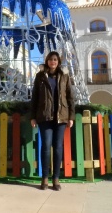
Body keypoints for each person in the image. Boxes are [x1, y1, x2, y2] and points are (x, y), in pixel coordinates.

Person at [30, 51, 75, 191]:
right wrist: (33, 116)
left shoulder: (65, 76)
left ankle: (56, 178)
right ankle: (44, 178)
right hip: (44, 116)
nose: (52, 62)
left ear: (58, 61)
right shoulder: (40, 76)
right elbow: (35, 97)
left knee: (58, 148)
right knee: (46, 147)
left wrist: (71, 117)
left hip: (61, 117)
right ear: (47, 61)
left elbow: (70, 98)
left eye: (55, 59)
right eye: (50, 59)